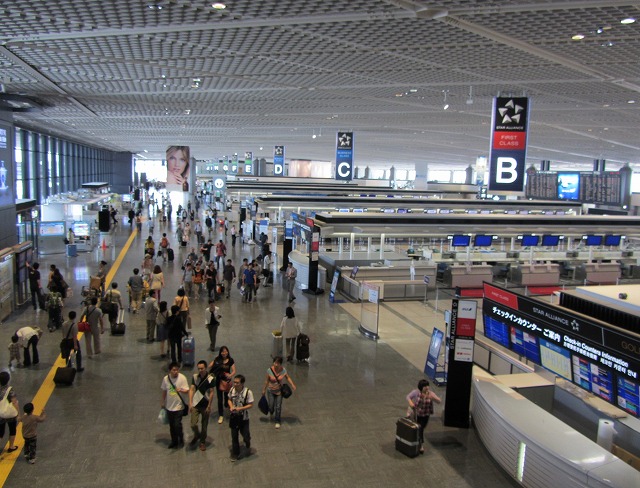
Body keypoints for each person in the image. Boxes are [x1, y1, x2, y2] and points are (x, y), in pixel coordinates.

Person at [406, 379, 442, 454]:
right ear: (421, 387)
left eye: (427, 385)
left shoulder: (430, 393)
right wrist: (411, 403)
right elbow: (408, 397)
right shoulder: (416, 392)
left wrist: (432, 398)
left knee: (421, 428)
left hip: (426, 414)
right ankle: (421, 445)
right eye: (424, 386)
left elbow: (439, 401)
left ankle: (417, 440)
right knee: (420, 429)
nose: (427, 387)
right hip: (417, 414)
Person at [262, 356, 296, 429]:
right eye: (274, 362)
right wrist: (264, 389)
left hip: (279, 391)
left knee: (278, 406)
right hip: (270, 391)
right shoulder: (269, 370)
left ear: (280, 364)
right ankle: (271, 411)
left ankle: (277, 421)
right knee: (271, 406)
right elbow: (267, 381)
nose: (276, 364)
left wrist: (292, 384)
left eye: (277, 363)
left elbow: (288, 377)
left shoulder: (283, 370)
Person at [160, 362, 189, 449]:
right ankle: (174, 441)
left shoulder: (182, 378)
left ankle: (181, 438)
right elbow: (164, 391)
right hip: (169, 407)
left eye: (177, 370)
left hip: (179, 406)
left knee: (177, 424)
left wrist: (180, 390)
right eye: (173, 370)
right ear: (170, 371)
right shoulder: (166, 379)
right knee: (172, 426)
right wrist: (162, 401)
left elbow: (187, 390)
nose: (175, 371)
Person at [188, 360, 215, 451]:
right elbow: (191, 389)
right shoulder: (195, 377)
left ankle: (202, 441)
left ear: (206, 368)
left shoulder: (211, 378)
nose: (200, 370)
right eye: (199, 368)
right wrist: (190, 403)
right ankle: (197, 435)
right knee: (193, 424)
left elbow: (211, 392)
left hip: (205, 404)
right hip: (196, 403)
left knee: (204, 425)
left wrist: (209, 406)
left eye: (202, 368)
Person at [228, 374, 254, 462]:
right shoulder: (232, 390)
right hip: (234, 417)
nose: (235, 384)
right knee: (234, 436)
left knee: (245, 434)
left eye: (237, 383)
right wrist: (231, 406)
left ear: (242, 383)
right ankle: (235, 453)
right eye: (234, 382)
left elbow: (250, 404)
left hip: (244, 418)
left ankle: (247, 441)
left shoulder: (248, 392)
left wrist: (240, 408)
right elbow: (229, 399)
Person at [209, 346, 236, 424]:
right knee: (219, 398)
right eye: (222, 352)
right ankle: (221, 415)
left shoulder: (230, 360)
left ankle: (227, 408)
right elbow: (210, 366)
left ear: (228, 352)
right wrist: (214, 362)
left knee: (227, 397)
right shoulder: (218, 359)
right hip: (218, 381)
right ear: (220, 352)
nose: (224, 353)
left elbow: (234, 370)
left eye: (225, 351)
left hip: (226, 381)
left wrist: (230, 375)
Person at [0, 372, 20, 455]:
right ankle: (11, 446)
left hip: (0, 414)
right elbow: (14, 402)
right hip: (10, 415)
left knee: (0, 432)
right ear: (8, 380)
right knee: (12, 430)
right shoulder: (10, 390)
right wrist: (18, 413)